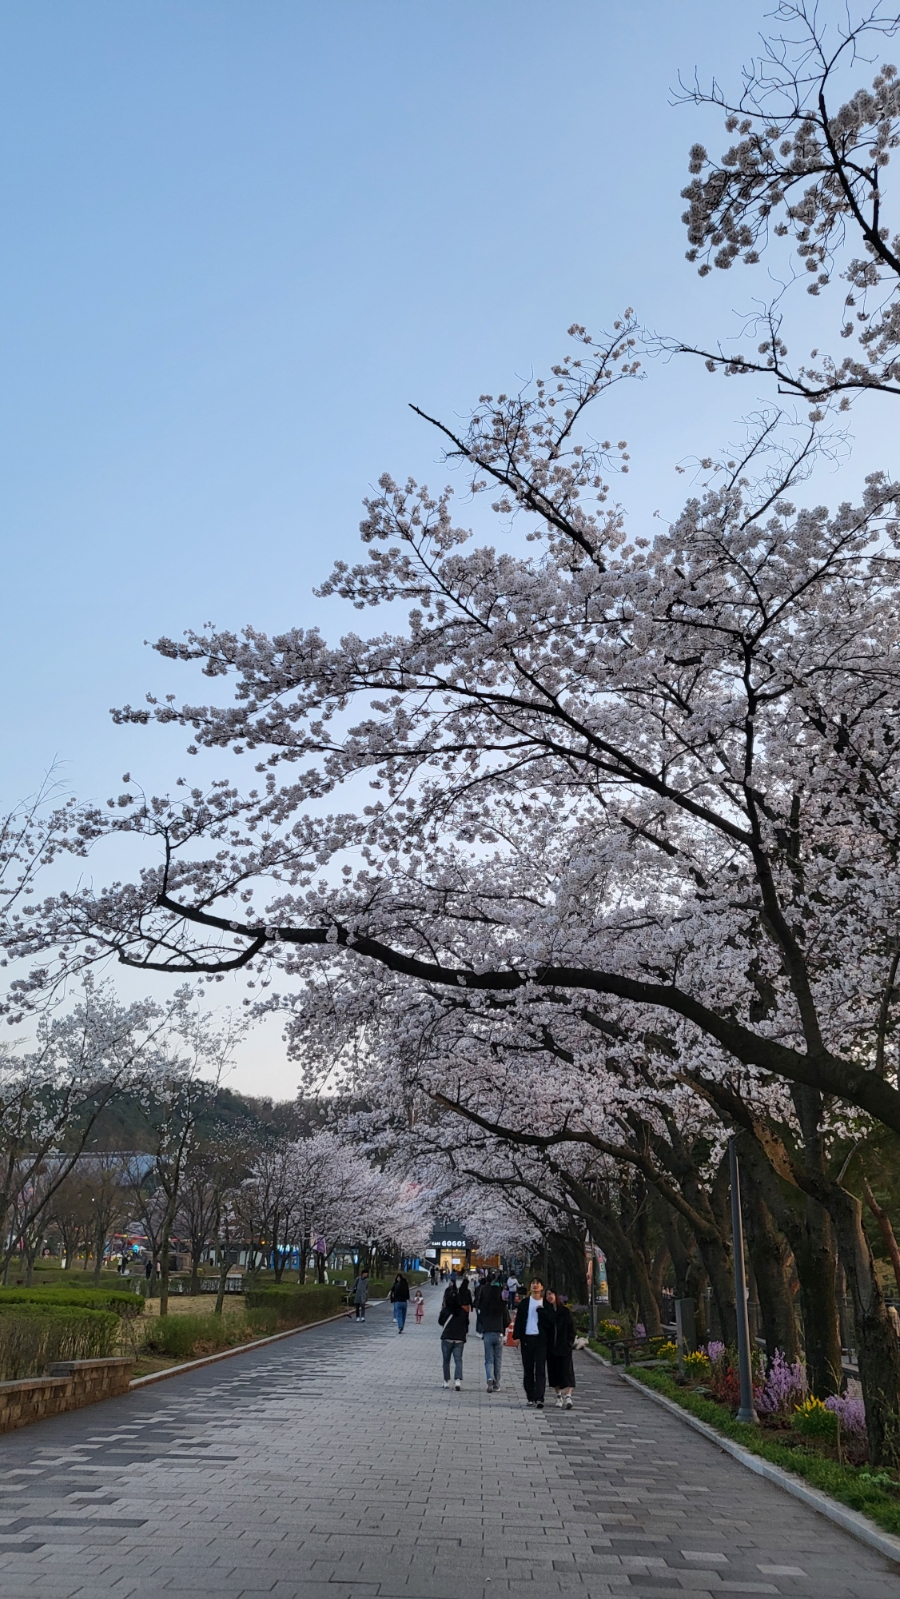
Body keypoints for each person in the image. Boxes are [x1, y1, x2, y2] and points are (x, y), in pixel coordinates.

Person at [512, 1278, 555, 1408]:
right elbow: (519, 1320)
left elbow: (551, 1323)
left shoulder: (546, 1304)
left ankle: (540, 1397)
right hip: (527, 1339)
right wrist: (517, 1337)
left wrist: (542, 1313)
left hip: (541, 1340)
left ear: (542, 1287)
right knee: (528, 1369)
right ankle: (530, 1396)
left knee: (540, 1369)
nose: (535, 1285)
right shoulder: (525, 1303)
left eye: (538, 1283)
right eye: (533, 1283)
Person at [545, 1290, 576, 1408]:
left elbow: (572, 1329)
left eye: (551, 1294)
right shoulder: (546, 1312)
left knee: (567, 1372)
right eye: (547, 1294)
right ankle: (558, 1397)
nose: (549, 1297)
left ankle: (568, 1396)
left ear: (556, 1296)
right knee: (554, 1373)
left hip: (564, 1348)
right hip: (551, 1349)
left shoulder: (565, 1312)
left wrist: (569, 1343)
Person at [480, 1280, 510, 1393]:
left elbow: (480, 1319)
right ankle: (497, 1384)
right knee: (498, 1360)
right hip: (499, 1333)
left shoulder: (484, 1305)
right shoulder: (502, 1305)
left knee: (488, 1360)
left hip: (487, 1333)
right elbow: (507, 1320)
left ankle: (489, 1378)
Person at [438, 1284, 468, 1389]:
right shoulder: (463, 1312)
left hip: (447, 1337)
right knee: (458, 1359)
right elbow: (466, 1325)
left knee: (446, 1360)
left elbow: (440, 1322)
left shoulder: (446, 1310)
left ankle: (446, 1381)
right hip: (459, 1338)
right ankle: (458, 1380)